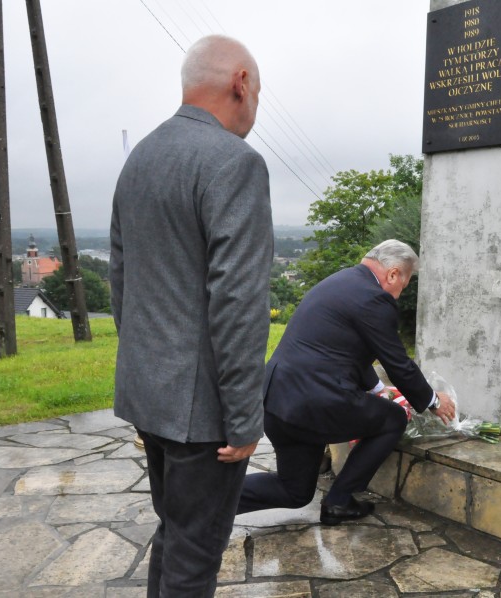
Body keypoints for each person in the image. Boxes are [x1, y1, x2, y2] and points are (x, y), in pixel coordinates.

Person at [109, 35, 272, 597]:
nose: (256, 107)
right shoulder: (236, 162)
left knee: (176, 533)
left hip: (148, 395)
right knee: (195, 556)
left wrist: (147, 369)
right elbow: (238, 302)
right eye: (259, 92)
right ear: (240, 83)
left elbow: (122, 279)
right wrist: (244, 419)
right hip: (203, 415)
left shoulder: (141, 156)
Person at [237, 240, 456, 524]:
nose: (400, 293)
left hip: (279, 401)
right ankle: (339, 500)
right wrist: (434, 401)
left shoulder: (340, 282)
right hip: (314, 402)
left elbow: (345, 349)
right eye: (404, 284)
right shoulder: (374, 299)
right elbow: (398, 363)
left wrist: (378, 389)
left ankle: (205, 503)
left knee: (294, 491)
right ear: (392, 274)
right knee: (392, 419)